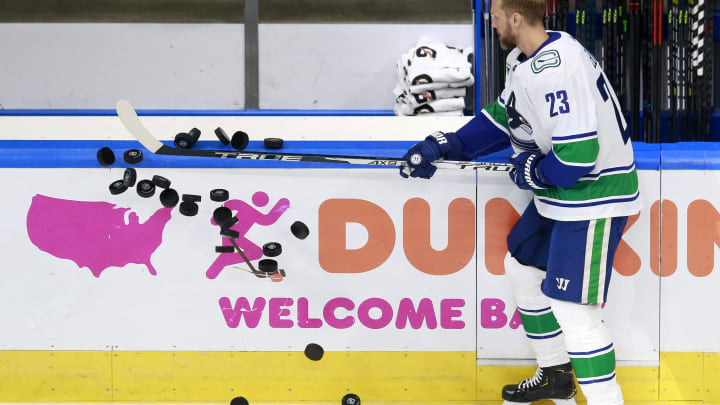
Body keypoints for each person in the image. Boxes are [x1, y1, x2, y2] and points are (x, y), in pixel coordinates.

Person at [398, 0, 641, 403]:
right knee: (522, 265)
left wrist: (535, 173)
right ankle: (556, 374)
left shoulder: (557, 69)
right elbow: (504, 117)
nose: (490, 24)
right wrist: (448, 144)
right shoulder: (529, 58)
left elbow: (579, 156)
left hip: (593, 199)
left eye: (494, 16)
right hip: (561, 199)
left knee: (575, 312)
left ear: (515, 17)